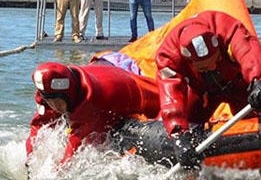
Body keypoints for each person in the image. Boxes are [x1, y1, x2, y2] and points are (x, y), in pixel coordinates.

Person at [155, 10, 261, 168]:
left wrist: (259, 82)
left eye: (216, 59)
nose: (213, 67)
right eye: (205, 67)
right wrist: (178, 134)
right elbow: (170, 94)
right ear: (189, 62)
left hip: (239, 88)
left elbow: (249, 52)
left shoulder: (227, 28)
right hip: (202, 93)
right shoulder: (169, 56)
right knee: (188, 123)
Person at [26, 61, 161, 165]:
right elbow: (38, 125)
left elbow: (74, 149)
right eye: (51, 101)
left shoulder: (90, 102)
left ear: (68, 95)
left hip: (138, 92)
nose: (55, 107)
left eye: (58, 101)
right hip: (109, 74)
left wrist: (57, 172)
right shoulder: (47, 93)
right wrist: (29, 157)